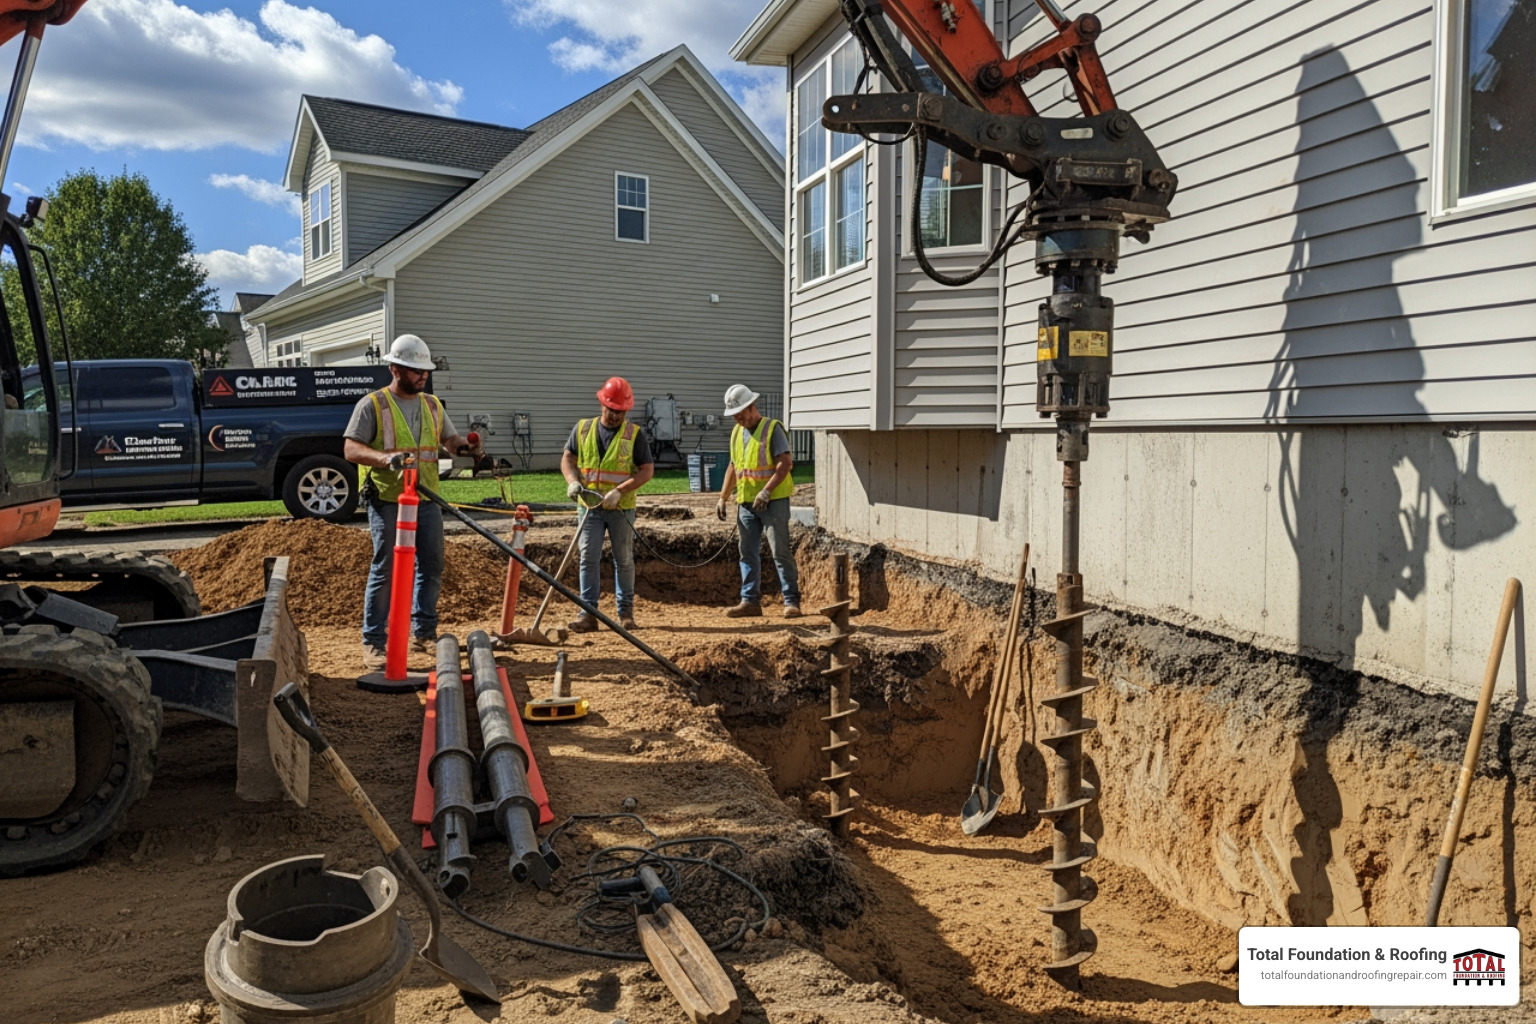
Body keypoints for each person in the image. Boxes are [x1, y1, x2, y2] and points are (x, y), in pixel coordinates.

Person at [344, 333, 481, 670]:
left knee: (432, 567)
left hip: (426, 499)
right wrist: (383, 459)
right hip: (389, 499)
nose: (423, 376)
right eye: (415, 370)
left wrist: (466, 447)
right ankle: (374, 641)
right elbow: (351, 448)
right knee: (386, 568)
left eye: (425, 371)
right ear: (395, 369)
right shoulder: (372, 405)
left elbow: (449, 440)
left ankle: (424, 634)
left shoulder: (432, 405)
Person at [560, 376, 655, 631]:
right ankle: (587, 613)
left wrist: (620, 490)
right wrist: (572, 481)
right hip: (589, 506)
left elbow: (646, 470)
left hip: (620, 508)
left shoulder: (634, 435)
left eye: (621, 412)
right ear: (603, 404)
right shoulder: (582, 429)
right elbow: (568, 457)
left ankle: (625, 614)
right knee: (587, 557)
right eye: (613, 410)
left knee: (623, 558)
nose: (616, 416)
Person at [716, 384, 800, 618]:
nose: (739, 420)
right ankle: (750, 601)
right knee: (747, 553)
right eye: (735, 417)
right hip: (746, 504)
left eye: (741, 415)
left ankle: (792, 600)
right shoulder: (736, 433)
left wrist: (767, 491)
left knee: (780, 551)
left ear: (752, 407)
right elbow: (734, 467)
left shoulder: (772, 429)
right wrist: (723, 497)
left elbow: (785, 464)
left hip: (773, 502)